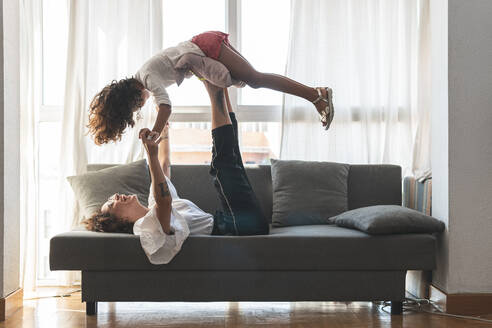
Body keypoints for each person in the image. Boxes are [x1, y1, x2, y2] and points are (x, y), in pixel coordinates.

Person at [83, 82, 269, 264]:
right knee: (222, 165)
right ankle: (214, 86)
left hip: (237, 220)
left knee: (231, 157)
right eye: (111, 204)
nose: (115, 196)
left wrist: (163, 132)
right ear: (119, 221)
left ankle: (221, 84)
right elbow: (165, 202)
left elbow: (164, 166)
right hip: (236, 228)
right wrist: (151, 155)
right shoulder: (145, 228)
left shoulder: (153, 203)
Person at [87, 31, 334, 146]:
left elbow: (165, 107)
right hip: (203, 47)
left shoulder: (148, 78)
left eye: (133, 109)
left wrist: (155, 133)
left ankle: (316, 95)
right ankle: (315, 95)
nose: (139, 108)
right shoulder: (147, 77)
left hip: (205, 46)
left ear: (130, 100)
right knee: (248, 82)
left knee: (255, 79)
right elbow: (160, 102)